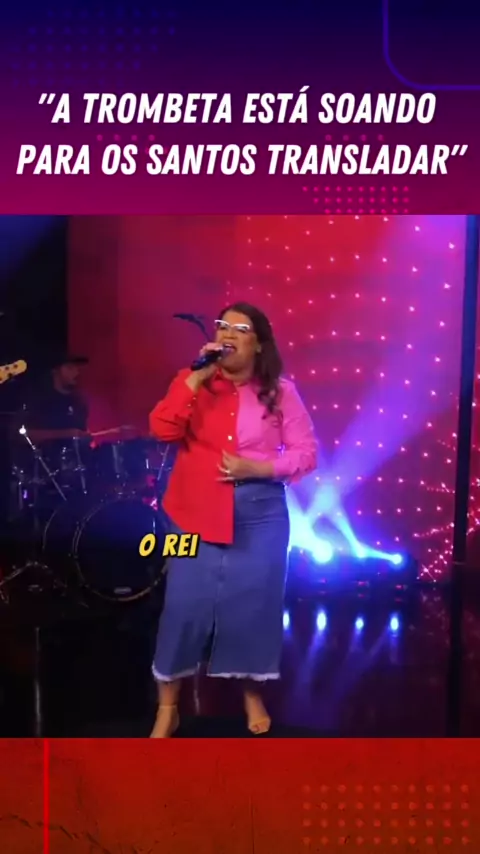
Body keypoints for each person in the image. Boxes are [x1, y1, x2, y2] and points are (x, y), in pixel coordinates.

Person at [149, 302, 318, 738]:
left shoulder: (281, 392)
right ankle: (168, 708)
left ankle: (252, 694)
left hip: (261, 517)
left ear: (258, 344)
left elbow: (306, 454)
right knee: (181, 607)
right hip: (188, 515)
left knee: (253, 608)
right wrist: (194, 378)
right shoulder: (192, 382)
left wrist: (258, 468)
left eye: (240, 329)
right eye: (223, 326)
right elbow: (162, 429)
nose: (227, 334)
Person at [22, 354, 89, 443]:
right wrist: (65, 434)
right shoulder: (39, 400)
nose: (76, 373)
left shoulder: (79, 402)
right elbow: (23, 436)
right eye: (70, 368)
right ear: (55, 370)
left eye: (77, 369)